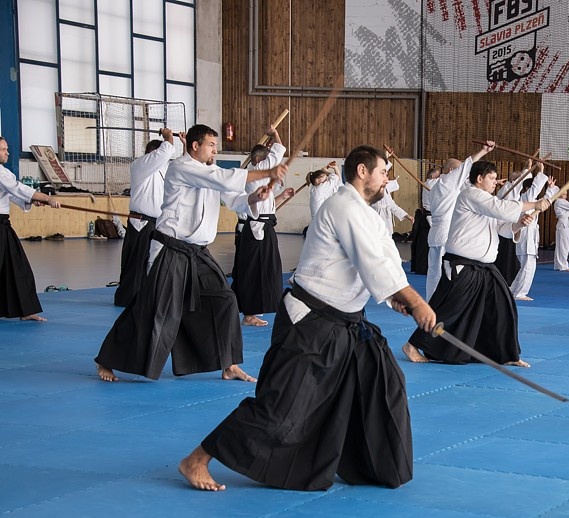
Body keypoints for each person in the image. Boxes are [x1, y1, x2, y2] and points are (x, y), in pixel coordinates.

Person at [178, 145, 436, 492]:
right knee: (283, 406)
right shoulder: (344, 206)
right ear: (362, 171)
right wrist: (416, 302)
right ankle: (198, 458)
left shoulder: (368, 213)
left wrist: (396, 298)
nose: (387, 177)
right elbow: (373, 262)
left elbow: (386, 264)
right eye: (383, 171)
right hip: (312, 322)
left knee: (385, 384)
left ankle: (371, 467)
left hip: (347, 323)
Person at [94, 124, 287, 383]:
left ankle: (228, 364)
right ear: (194, 146)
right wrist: (269, 171)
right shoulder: (180, 168)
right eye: (211, 145)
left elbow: (235, 200)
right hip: (171, 249)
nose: (215, 150)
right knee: (155, 308)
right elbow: (221, 179)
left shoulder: (210, 171)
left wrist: (254, 199)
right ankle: (107, 358)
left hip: (198, 252)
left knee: (226, 300)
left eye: (215, 145)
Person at [402, 160, 550, 366]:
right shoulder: (470, 195)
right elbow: (500, 208)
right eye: (492, 178)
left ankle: (506, 354)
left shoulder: (486, 201)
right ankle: (412, 344)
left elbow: (502, 227)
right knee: (450, 311)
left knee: (503, 308)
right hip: (463, 265)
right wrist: (534, 204)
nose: (495, 182)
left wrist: (518, 224)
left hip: (486, 267)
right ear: (479, 179)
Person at [231, 125, 294, 327]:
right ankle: (247, 314)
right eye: (266, 159)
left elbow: (264, 200)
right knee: (252, 272)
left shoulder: (255, 175)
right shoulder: (256, 171)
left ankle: (248, 312)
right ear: (259, 160)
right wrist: (275, 133)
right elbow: (278, 150)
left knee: (257, 271)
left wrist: (281, 196)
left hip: (259, 228)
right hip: (255, 231)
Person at [115, 128, 182, 307]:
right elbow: (165, 151)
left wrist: (185, 145)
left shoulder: (166, 168)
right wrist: (169, 137)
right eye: (159, 155)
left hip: (159, 223)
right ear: (151, 154)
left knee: (155, 263)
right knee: (136, 262)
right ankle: (127, 298)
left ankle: (148, 296)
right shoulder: (140, 166)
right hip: (141, 222)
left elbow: (182, 166)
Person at [0, 136, 61, 322]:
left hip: (3, 225)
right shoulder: (0, 173)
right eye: (3, 149)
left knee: (17, 267)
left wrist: (32, 200)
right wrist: (46, 198)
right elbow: (18, 188)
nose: (7, 153)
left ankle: (25, 310)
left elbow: (12, 195)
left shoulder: (3, 172)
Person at [424, 142, 495, 300]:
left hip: (436, 234)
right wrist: (482, 151)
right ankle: (439, 304)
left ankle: (431, 303)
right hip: (445, 234)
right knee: (444, 273)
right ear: (451, 171)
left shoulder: (439, 186)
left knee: (434, 272)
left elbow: (466, 184)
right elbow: (466, 166)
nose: (463, 175)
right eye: (459, 171)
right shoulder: (447, 183)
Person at [509, 166, 550, 300]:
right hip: (526, 235)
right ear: (527, 189)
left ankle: (513, 289)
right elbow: (535, 188)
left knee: (525, 266)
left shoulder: (528, 199)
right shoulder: (525, 197)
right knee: (528, 266)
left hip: (528, 235)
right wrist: (541, 171)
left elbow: (545, 201)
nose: (536, 192)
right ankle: (520, 293)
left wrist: (550, 188)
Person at [409, 167, 439, 275]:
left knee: (426, 244)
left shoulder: (431, 184)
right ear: (432, 176)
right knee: (427, 244)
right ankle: (424, 267)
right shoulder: (430, 184)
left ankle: (426, 266)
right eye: (437, 176)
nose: (439, 178)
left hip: (428, 216)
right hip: (428, 217)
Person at [371, 159, 413, 234]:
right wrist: (387, 156)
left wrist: (407, 216)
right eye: (385, 175)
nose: (387, 178)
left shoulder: (385, 188)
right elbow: (379, 171)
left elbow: (393, 206)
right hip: (376, 218)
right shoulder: (374, 186)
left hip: (387, 219)